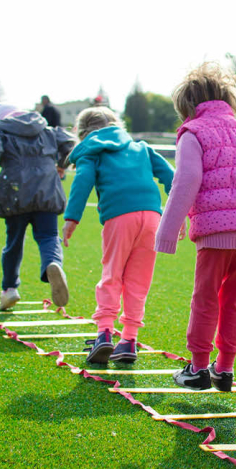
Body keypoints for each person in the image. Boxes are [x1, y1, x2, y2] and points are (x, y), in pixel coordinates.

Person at [154, 61, 236, 391]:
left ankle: (196, 368)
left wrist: (167, 230)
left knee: (205, 298)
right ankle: (224, 368)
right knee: (233, 301)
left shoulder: (193, 132)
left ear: (188, 106)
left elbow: (187, 180)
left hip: (216, 231)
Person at [62, 107, 174, 364]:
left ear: (82, 133)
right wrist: (179, 213)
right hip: (152, 217)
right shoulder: (141, 148)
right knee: (139, 280)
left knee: (112, 274)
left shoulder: (92, 151)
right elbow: (172, 177)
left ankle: (104, 334)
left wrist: (71, 218)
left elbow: (83, 181)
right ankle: (129, 340)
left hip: (120, 216)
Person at [0, 102, 76, 311]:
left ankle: (10, 289)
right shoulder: (45, 129)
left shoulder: (2, 131)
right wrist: (62, 164)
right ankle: (53, 264)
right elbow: (69, 142)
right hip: (47, 190)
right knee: (49, 236)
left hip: (15, 192)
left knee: (14, 241)